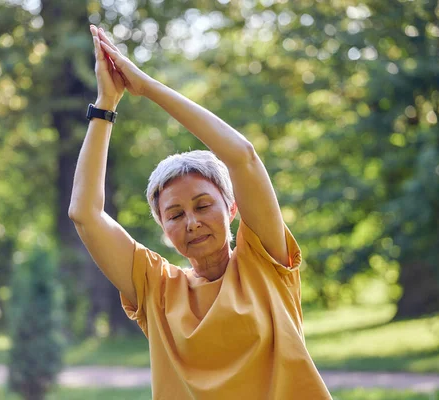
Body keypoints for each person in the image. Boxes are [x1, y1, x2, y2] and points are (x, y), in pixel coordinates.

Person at [68, 24, 332, 400]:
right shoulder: (156, 288)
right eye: (174, 215)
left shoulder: (266, 263)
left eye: (203, 205)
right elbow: (85, 214)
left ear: (232, 208)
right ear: (162, 228)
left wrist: (146, 87)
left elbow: (243, 157)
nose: (192, 222)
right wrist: (105, 105)